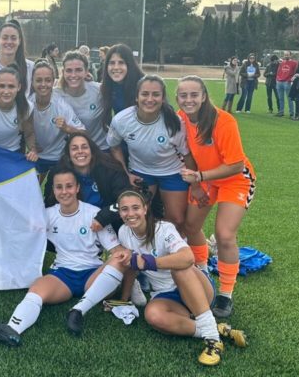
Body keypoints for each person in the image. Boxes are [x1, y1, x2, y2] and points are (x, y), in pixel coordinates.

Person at [65, 190, 247, 366]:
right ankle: (218, 329)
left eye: (135, 208)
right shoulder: (124, 234)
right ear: (119, 213)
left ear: (145, 209)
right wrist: (124, 299)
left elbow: (188, 258)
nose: (130, 214)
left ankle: (213, 341)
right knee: (152, 316)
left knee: (179, 268)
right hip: (166, 295)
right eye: (124, 209)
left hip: (198, 287)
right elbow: (131, 267)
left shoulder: (164, 228)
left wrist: (150, 262)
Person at [0, 168, 122, 347]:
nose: (64, 191)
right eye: (59, 187)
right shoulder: (47, 215)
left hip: (93, 275)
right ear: (53, 190)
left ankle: (77, 310)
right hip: (63, 276)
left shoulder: (93, 213)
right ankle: (12, 329)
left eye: (69, 186)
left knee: (119, 259)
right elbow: (20, 232)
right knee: (37, 288)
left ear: (77, 188)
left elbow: (116, 249)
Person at [175, 76, 257, 318]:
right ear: (177, 98)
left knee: (224, 234)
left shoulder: (224, 121)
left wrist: (199, 177)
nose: (188, 100)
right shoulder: (180, 119)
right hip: (204, 179)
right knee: (191, 226)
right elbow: (186, 152)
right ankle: (202, 271)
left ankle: (226, 294)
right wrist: (199, 183)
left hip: (235, 179)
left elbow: (234, 165)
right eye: (183, 96)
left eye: (194, 95)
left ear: (203, 96)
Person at [107, 75, 193, 234]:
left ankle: (169, 250)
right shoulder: (122, 120)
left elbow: (187, 155)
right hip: (141, 172)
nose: (150, 99)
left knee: (177, 219)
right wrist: (127, 173)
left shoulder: (175, 122)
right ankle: (144, 250)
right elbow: (114, 147)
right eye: (145, 94)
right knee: (138, 217)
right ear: (136, 96)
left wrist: (196, 183)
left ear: (163, 97)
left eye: (156, 94)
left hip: (172, 172)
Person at [31, 60, 85, 175]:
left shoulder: (61, 105)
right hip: (35, 155)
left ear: (53, 81)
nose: (43, 84)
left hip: (58, 158)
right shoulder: (27, 103)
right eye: (39, 80)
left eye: (48, 80)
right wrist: (30, 143)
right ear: (32, 82)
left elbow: (83, 132)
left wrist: (67, 128)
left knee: (56, 191)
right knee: (30, 191)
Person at [54, 51, 109, 151]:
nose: (73, 75)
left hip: (100, 148)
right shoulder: (56, 94)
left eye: (78, 70)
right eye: (69, 70)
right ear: (63, 72)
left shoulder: (100, 90)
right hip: (72, 151)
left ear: (86, 71)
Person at [99, 43, 145, 117]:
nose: (116, 67)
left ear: (129, 64)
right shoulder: (107, 86)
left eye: (121, 62)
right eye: (112, 63)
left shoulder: (144, 85)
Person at [275, 51, 297, 117]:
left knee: (289, 98)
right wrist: (277, 79)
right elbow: (279, 71)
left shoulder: (294, 63)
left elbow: (296, 72)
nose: (286, 56)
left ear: (290, 55)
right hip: (279, 82)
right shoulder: (281, 63)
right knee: (280, 98)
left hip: (287, 82)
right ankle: (281, 112)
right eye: (285, 55)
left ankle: (291, 113)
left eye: (287, 55)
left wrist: (291, 79)